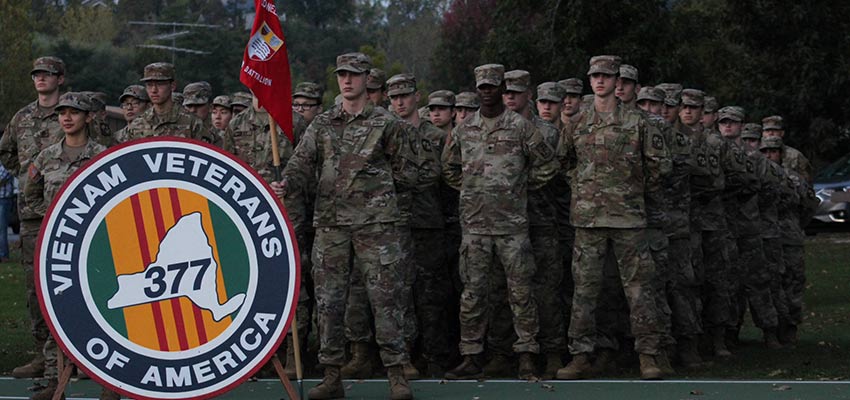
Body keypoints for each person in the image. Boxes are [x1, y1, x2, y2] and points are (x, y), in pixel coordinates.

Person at [275, 52, 417, 400]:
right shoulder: (323, 124)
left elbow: (408, 171)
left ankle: (397, 375)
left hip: (376, 226)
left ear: (367, 78)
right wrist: (286, 185)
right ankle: (331, 375)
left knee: (386, 299)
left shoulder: (386, 124)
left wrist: (377, 193)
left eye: (354, 74)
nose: (347, 81)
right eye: (342, 75)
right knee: (330, 302)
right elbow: (301, 163)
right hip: (332, 225)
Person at [442, 63, 557, 381]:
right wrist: (469, 189)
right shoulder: (464, 129)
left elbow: (548, 163)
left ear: (502, 88)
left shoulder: (520, 127)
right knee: (473, 294)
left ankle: (526, 355)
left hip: (512, 227)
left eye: (494, 86)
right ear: (477, 89)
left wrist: (519, 185)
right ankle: (472, 356)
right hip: (475, 227)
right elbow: (449, 168)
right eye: (483, 86)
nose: (488, 91)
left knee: (520, 293)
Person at [556, 55, 667, 380]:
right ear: (590, 80)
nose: (601, 81)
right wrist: (583, 186)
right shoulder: (577, 122)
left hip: (628, 219)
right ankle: (580, 356)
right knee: (585, 291)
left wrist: (630, 189)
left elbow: (660, 166)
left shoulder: (639, 122)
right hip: (588, 220)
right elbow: (563, 161)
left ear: (618, 80)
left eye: (606, 76)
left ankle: (648, 355)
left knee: (638, 289)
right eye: (595, 76)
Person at [23, 92, 113, 400]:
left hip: (96, 248)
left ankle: (110, 383)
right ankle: (54, 379)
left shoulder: (103, 155)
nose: (66, 117)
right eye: (62, 112)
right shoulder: (46, 156)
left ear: (87, 117)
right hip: (58, 250)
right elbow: (30, 195)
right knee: (57, 312)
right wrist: (51, 217)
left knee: (103, 310)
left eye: (74, 112)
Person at [0, 56, 66, 382]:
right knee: (35, 289)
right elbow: (7, 151)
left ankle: (71, 356)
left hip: (70, 212)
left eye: (48, 74)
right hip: (31, 216)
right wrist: (28, 180)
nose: (41, 79)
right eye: (37, 74)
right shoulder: (21, 117)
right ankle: (42, 355)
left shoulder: (72, 114)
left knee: (70, 284)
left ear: (60, 78)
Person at [118, 63, 214, 145]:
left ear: (172, 86)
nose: (154, 90)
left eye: (160, 84)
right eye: (149, 85)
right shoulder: (138, 124)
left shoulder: (192, 123)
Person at [761, 115, 813, 184]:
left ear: (782, 133)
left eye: (774, 130)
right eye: (767, 131)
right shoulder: (757, 154)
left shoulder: (795, 156)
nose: (771, 133)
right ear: (763, 134)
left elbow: (807, 182)